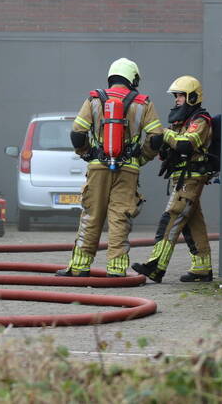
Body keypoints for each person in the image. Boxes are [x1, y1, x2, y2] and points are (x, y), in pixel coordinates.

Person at [56, 58, 163, 278]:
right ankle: (116, 269)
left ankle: (79, 267)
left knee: (91, 215)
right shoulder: (143, 103)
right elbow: (156, 137)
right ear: (133, 78)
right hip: (128, 170)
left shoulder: (94, 100)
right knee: (120, 218)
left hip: (97, 168)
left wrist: (87, 153)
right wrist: (141, 157)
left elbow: (77, 133)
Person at [132, 75, 214, 283]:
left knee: (171, 218)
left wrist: (164, 133)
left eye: (180, 96)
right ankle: (202, 268)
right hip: (181, 176)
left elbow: (187, 144)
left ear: (192, 97)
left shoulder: (200, 121)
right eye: (176, 96)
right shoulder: (181, 121)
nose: (176, 99)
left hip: (192, 177)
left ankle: (156, 266)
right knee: (192, 224)